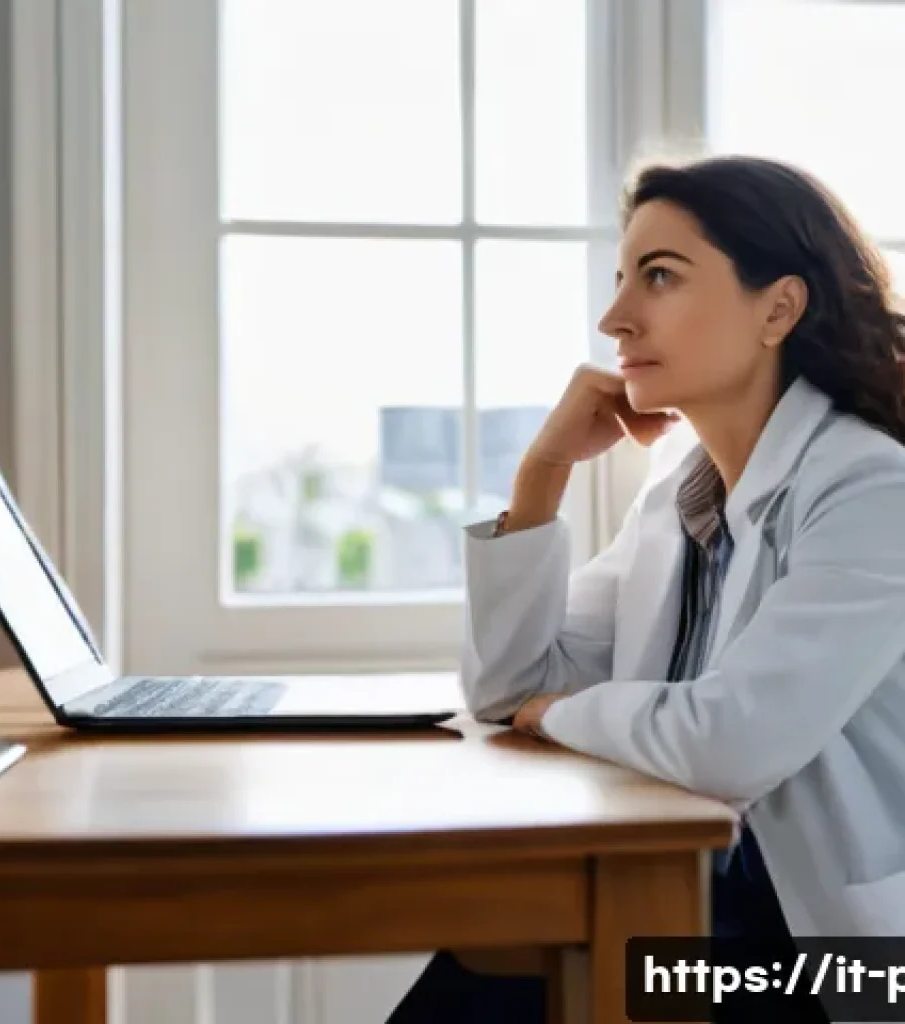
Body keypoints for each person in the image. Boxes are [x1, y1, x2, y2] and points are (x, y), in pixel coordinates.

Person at [387, 153, 905, 1023]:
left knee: (523, 976)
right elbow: (506, 687)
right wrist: (542, 475)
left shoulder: (871, 487)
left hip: (839, 961)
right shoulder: (680, 492)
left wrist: (557, 714)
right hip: (714, 908)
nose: (615, 318)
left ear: (778, 308)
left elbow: (732, 742)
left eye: (659, 276)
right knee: (500, 954)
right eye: (622, 278)